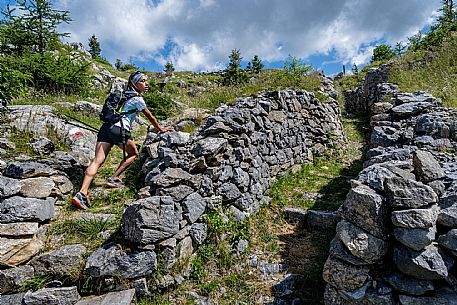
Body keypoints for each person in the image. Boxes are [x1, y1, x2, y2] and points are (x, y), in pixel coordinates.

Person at [71, 70, 172, 210]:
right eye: (142, 81)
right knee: (133, 154)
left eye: (146, 81)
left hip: (106, 128)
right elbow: (150, 117)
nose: (146, 84)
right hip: (120, 129)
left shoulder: (121, 96)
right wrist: (161, 129)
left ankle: (82, 192)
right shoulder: (138, 99)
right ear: (134, 83)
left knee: (97, 160)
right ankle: (114, 177)